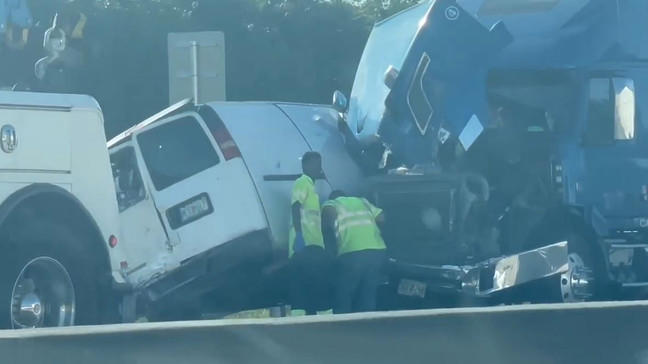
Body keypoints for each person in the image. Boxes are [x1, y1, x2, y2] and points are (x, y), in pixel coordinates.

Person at [322, 190, 387, 314]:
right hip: (377, 250)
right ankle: (367, 323)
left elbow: (327, 226)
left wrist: (331, 252)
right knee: (368, 291)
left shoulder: (331, 204)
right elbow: (381, 218)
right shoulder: (362, 201)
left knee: (344, 292)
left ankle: (343, 324)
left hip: (352, 252)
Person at [288, 151, 330, 315]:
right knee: (306, 286)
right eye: (315, 164)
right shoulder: (302, 182)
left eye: (320, 164)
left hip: (314, 245)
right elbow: (295, 206)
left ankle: (312, 320)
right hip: (305, 246)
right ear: (305, 166)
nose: (318, 168)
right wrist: (299, 235)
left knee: (312, 286)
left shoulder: (312, 188)